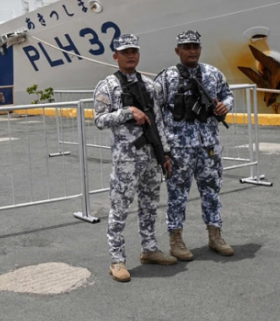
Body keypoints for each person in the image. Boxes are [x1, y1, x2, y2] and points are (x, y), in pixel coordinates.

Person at [93, 33, 178, 282]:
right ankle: (117, 260)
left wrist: (166, 154)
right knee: (119, 209)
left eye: (134, 51)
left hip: (151, 157)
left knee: (150, 205)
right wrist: (126, 112)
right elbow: (98, 120)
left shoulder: (151, 86)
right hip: (126, 160)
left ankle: (149, 249)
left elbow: (159, 122)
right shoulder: (107, 85)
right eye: (125, 51)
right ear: (115, 56)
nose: (131, 55)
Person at [155, 30, 235, 260]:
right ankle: (176, 240)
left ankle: (215, 235)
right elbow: (157, 112)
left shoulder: (213, 73)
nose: (192, 51)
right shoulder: (166, 78)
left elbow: (228, 95)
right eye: (187, 47)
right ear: (177, 50)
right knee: (177, 194)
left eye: (195, 47)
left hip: (208, 146)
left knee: (212, 192)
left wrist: (225, 106)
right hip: (179, 148)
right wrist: (163, 150)